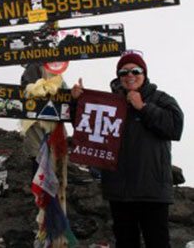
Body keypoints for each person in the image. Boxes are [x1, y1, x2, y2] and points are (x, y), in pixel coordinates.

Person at [71, 50, 184, 248]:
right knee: (125, 243)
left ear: (144, 73)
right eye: (123, 72)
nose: (129, 75)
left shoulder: (162, 99)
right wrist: (76, 102)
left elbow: (175, 128)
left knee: (157, 243)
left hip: (153, 191)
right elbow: (85, 128)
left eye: (135, 70)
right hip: (119, 191)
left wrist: (144, 107)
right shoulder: (109, 104)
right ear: (118, 77)